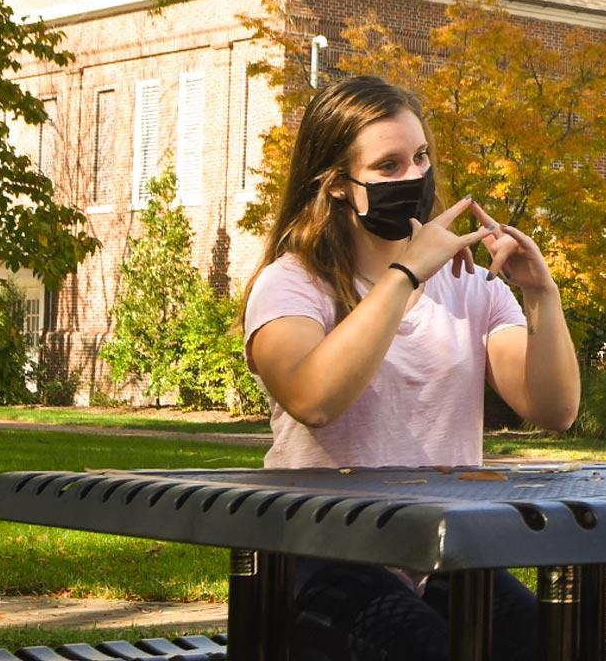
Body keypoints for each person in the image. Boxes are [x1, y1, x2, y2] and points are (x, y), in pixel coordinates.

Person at [241, 75, 580, 660]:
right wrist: (405, 276)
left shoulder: (472, 286)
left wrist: (540, 296)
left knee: (554, 643)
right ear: (338, 185)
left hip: (444, 552)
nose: (414, 178)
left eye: (420, 158)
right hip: (322, 552)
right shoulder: (292, 284)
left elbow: (554, 408)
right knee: (424, 648)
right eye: (389, 166)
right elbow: (313, 398)